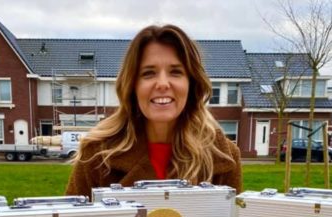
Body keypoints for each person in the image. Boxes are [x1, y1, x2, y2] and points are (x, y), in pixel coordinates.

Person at [65, 24, 242, 197]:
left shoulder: (223, 156)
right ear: (133, 85)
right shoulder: (96, 155)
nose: (163, 84)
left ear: (191, 84)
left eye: (175, 72)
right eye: (148, 73)